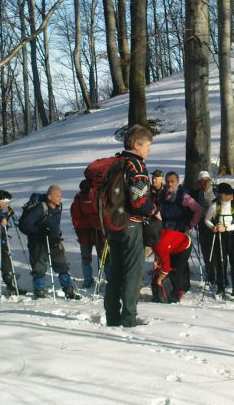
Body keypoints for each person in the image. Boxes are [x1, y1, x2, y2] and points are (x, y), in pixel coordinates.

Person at [105, 124, 157, 327]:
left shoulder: (116, 162)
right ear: (137, 145)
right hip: (131, 225)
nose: (149, 149)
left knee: (116, 272)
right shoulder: (136, 166)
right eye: (147, 145)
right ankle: (129, 319)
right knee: (132, 273)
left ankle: (112, 316)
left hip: (113, 225)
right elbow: (139, 201)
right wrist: (154, 210)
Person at [20, 185, 81, 300]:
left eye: (61, 196)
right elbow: (24, 224)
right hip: (38, 243)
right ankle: (39, 291)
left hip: (54, 241)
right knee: (39, 269)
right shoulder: (40, 208)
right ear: (49, 196)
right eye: (57, 196)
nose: (60, 198)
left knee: (62, 266)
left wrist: (56, 232)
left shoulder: (58, 206)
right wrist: (39, 231)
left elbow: (54, 222)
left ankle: (68, 290)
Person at [204, 182, 234, 299]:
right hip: (220, 236)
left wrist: (226, 228)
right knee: (221, 262)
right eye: (224, 194)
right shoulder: (215, 205)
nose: (228, 196)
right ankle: (221, 287)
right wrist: (213, 227)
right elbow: (207, 220)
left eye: (229, 194)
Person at [71, 179, 105, 288]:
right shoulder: (81, 200)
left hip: (94, 234)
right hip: (89, 234)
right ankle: (88, 281)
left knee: (103, 258)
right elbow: (76, 220)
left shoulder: (92, 198)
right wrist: (90, 222)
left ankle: (91, 280)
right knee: (91, 259)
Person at [152, 228, 192, 303]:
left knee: (178, 270)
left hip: (185, 244)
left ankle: (178, 292)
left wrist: (159, 280)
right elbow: (158, 253)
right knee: (171, 266)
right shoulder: (154, 239)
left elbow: (166, 269)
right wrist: (156, 261)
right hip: (173, 244)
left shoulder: (160, 247)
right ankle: (173, 287)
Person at [194, 170, 215, 284]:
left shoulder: (215, 191)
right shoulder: (197, 193)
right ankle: (210, 275)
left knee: (214, 250)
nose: (204, 183)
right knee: (206, 251)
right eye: (201, 181)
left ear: (210, 180)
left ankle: (219, 276)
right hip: (202, 224)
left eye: (206, 180)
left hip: (213, 224)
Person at [143, 170, 164, 252]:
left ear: (161, 179)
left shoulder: (165, 190)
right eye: (153, 177)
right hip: (149, 222)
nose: (153, 180)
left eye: (156, 178)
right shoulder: (147, 189)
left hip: (162, 223)